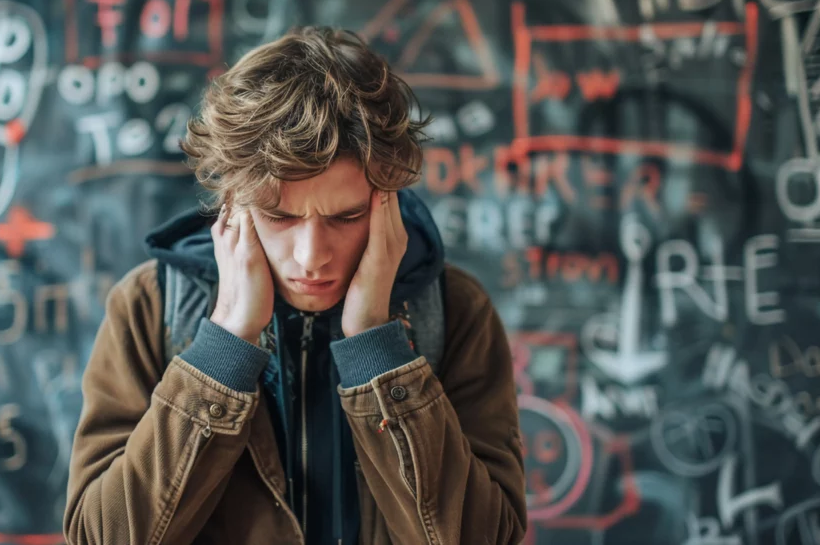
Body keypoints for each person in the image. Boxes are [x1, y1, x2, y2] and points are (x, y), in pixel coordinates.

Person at [63, 27, 527, 544]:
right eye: (280, 216)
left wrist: (377, 346)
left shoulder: (454, 310)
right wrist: (223, 349)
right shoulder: (151, 307)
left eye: (346, 216)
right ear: (234, 203)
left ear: (388, 197)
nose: (312, 256)